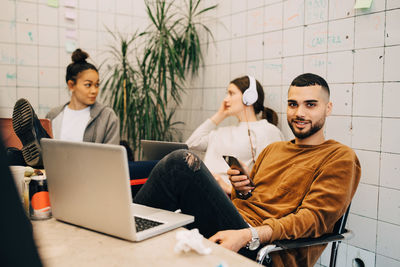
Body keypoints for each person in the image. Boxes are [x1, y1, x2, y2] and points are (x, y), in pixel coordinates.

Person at [133, 73, 361, 267]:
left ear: (328, 108)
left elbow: (312, 220)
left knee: (181, 164)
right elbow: (254, 198)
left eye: (310, 105)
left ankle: (128, 234)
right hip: (238, 226)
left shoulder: (339, 157)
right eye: (293, 104)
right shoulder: (274, 150)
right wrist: (240, 190)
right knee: (165, 168)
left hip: (268, 251)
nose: (299, 113)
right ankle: (128, 234)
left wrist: (248, 234)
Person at [11, 48, 119, 167]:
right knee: (12, 156)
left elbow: (112, 159)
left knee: (36, 151)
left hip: (88, 172)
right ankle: (30, 144)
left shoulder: (107, 116)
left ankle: (37, 132)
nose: (94, 90)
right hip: (54, 173)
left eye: (97, 84)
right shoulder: (53, 115)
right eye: (88, 85)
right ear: (71, 85)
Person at [186, 75, 284, 193]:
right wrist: (220, 114)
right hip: (200, 188)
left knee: (172, 163)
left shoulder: (266, 130)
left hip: (226, 195)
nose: (226, 100)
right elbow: (191, 144)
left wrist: (229, 189)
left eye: (231, 94)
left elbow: (270, 180)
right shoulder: (222, 132)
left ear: (250, 97)